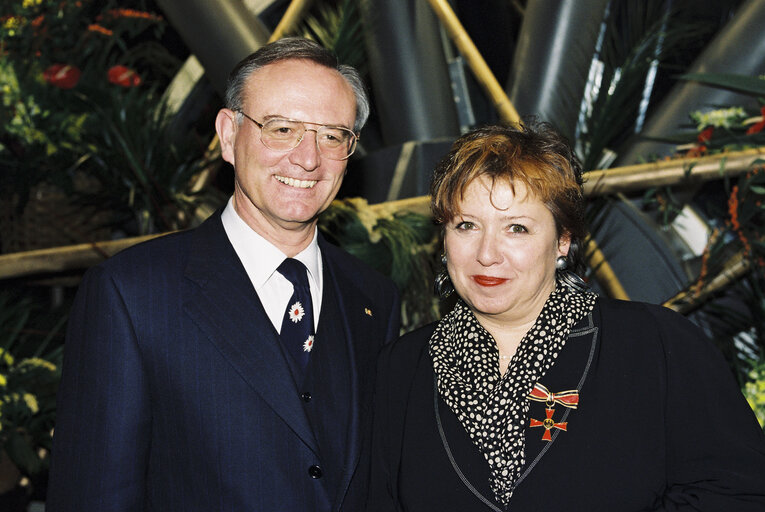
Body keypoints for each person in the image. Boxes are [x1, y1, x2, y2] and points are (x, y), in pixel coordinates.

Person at [47, 38, 400, 511]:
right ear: (229, 134)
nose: (308, 157)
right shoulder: (132, 294)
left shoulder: (373, 296)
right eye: (282, 128)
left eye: (333, 135)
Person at [367, 122, 765, 511]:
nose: (487, 254)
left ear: (563, 241)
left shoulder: (655, 344)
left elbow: (738, 491)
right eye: (467, 225)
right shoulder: (401, 369)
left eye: (517, 229)